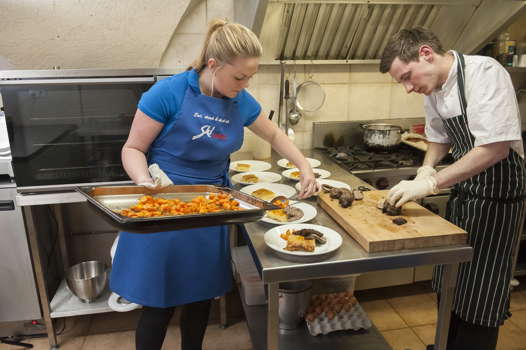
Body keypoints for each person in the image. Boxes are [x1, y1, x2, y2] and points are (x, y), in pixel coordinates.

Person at [110, 19, 319, 350]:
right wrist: (143, 181)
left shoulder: (240, 100)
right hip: (165, 206)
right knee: (159, 303)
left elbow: (275, 134)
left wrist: (304, 165)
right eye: (239, 76)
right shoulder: (168, 93)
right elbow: (132, 148)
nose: (245, 83)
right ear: (213, 64)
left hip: (211, 209)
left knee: (200, 297)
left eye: (250, 76)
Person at [379, 27, 526, 350]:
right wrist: (426, 168)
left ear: (426, 54)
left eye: (406, 76)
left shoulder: (484, 73)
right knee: (451, 284)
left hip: (498, 199)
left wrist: (432, 183)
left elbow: (495, 148)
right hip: (465, 194)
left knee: (481, 294)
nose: (407, 88)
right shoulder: (433, 89)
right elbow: (439, 138)